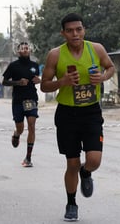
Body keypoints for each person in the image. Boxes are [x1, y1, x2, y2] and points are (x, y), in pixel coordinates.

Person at [40, 13, 115, 221]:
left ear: (84, 30)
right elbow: (44, 84)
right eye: (70, 30)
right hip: (67, 114)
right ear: (63, 33)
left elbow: (110, 67)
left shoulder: (96, 49)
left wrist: (102, 77)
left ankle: (86, 172)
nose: (75, 34)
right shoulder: (55, 55)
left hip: (91, 111)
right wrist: (61, 82)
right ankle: (71, 203)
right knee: (71, 163)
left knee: (94, 160)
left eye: (79, 29)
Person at [2, 42, 41, 167]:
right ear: (18, 51)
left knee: (31, 125)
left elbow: (39, 79)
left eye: (27, 48)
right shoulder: (13, 66)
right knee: (20, 127)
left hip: (31, 99)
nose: (25, 49)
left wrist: (39, 80)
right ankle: (16, 134)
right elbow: (4, 82)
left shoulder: (35, 65)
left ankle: (28, 158)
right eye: (22, 48)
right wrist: (18, 83)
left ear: (29, 50)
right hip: (18, 100)